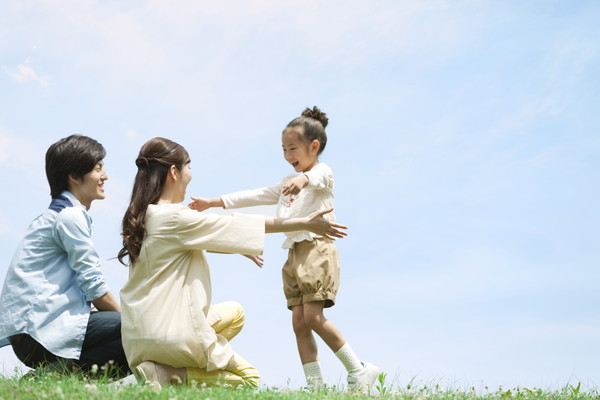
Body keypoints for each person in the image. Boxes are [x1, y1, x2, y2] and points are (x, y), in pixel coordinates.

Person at [117, 137, 347, 389]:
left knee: (234, 313)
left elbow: (193, 238)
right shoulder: (176, 217)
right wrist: (305, 222)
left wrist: (237, 246)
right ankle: (168, 374)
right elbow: (235, 223)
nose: (190, 174)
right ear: (174, 172)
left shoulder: (142, 219)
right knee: (249, 379)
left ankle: (169, 366)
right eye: (188, 167)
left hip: (137, 335)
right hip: (169, 333)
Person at [188, 106, 380, 392]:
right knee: (299, 323)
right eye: (284, 150)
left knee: (314, 317)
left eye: (293, 148)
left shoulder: (321, 173)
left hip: (317, 249)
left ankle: (359, 370)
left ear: (314, 147)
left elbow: (318, 177)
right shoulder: (284, 184)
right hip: (294, 253)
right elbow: (252, 195)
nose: (288, 156)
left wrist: (303, 179)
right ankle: (315, 386)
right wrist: (212, 202)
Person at [0, 135, 129, 376]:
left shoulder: (56, 216)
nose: (105, 176)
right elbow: (94, 286)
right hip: (38, 333)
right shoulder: (69, 216)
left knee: (133, 333)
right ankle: (49, 377)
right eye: (98, 168)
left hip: (31, 332)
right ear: (74, 175)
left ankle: (50, 379)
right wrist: (129, 321)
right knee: (141, 332)